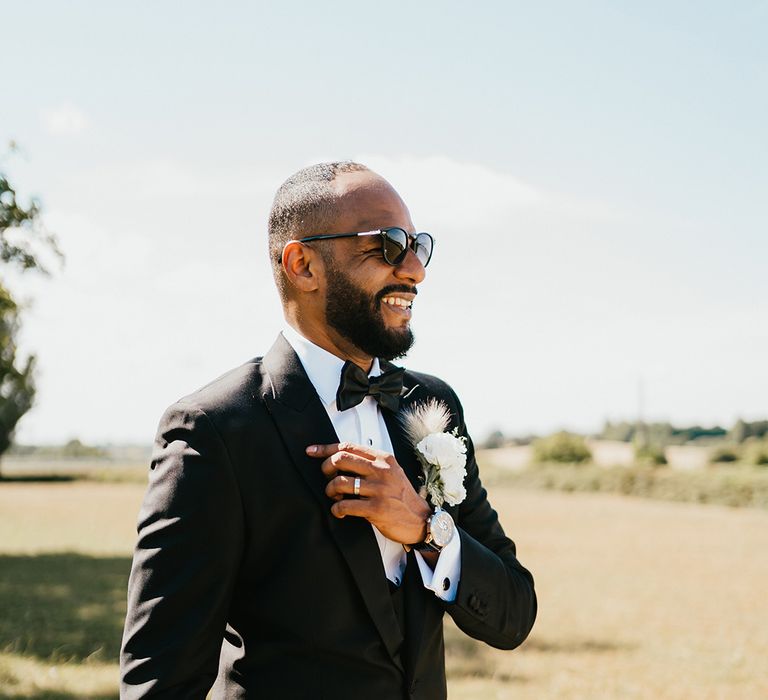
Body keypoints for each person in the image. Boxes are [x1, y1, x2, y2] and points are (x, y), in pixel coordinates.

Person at [120, 161, 536, 699]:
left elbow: (513, 613)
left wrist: (427, 528)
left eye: (418, 245)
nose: (415, 269)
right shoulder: (215, 431)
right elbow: (159, 681)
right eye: (387, 245)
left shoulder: (433, 405)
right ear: (303, 265)